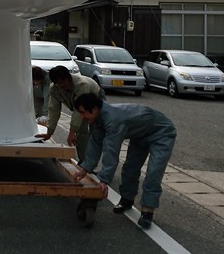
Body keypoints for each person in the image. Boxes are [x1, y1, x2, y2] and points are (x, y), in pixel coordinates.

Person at [72, 92, 177, 229]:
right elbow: (95, 143)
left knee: (153, 173)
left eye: (83, 112)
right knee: (129, 169)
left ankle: (147, 211)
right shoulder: (99, 119)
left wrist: (104, 180)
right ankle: (127, 200)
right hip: (139, 135)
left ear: (95, 109)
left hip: (162, 133)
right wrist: (85, 168)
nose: (82, 117)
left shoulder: (113, 120)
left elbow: (111, 151)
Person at [35, 65, 104, 160]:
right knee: (82, 131)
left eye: (63, 81)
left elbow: (78, 111)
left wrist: (72, 131)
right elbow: (54, 110)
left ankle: (90, 163)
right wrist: (49, 131)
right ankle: (84, 162)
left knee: (96, 131)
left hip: (96, 98)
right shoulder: (54, 89)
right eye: (58, 83)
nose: (61, 85)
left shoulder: (81, 85)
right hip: (80, 107)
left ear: (68, 78)